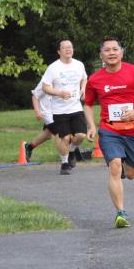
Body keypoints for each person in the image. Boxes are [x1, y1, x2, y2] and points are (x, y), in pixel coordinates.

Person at [84, 36, 134, 228]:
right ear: (101, 55)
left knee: (130, 173)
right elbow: (88, 104)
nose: (111, 53)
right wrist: (91, 126)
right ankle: (121, 212)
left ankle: (125, 166)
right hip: (109, 130)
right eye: (107, 50)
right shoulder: (95, 79)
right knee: (114, 166)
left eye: (115, 49)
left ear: (121, 53)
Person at [41, 39, 89, 175]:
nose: (68, 49)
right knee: (65, 137)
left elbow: (84, 78)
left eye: (70, 47)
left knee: (81, 135)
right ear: (59, 51)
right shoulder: (53, 68)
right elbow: (45, 87)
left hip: (76, 107)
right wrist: (59, 93)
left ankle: (72, 150)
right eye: (65, 47)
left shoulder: (79, 65)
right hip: (59, 110)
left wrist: (83, 88)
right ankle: (64, 163)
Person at [24, 79, 56, 162]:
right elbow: (35, 96)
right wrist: (37, 112)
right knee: (62, 133)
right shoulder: (46, 81)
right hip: (46, 113)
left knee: (48, 135)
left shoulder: (62, 80)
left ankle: (29, 147)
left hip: (56, 112)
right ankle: (71, 154)